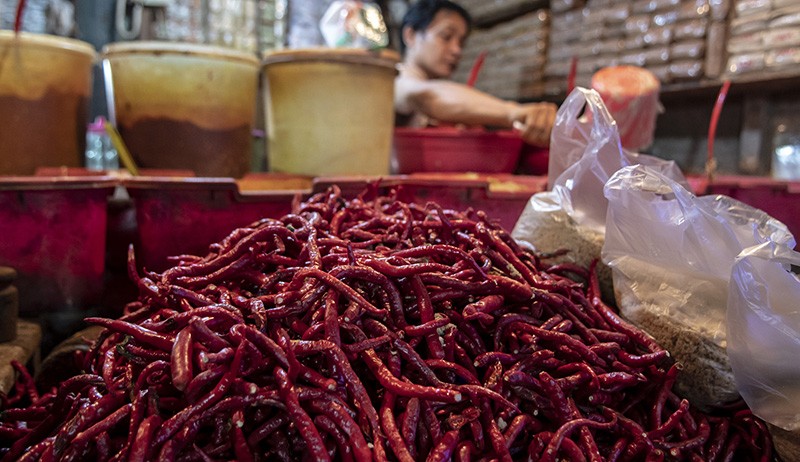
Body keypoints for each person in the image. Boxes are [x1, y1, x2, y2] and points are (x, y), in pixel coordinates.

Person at [395, 0, 557, 147]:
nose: (457, 50)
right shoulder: (395, 82)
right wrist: (514, 112)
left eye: (461, 42)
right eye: (446, 36)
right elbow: (426, 95)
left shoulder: (451, 97)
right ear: (410, 35)